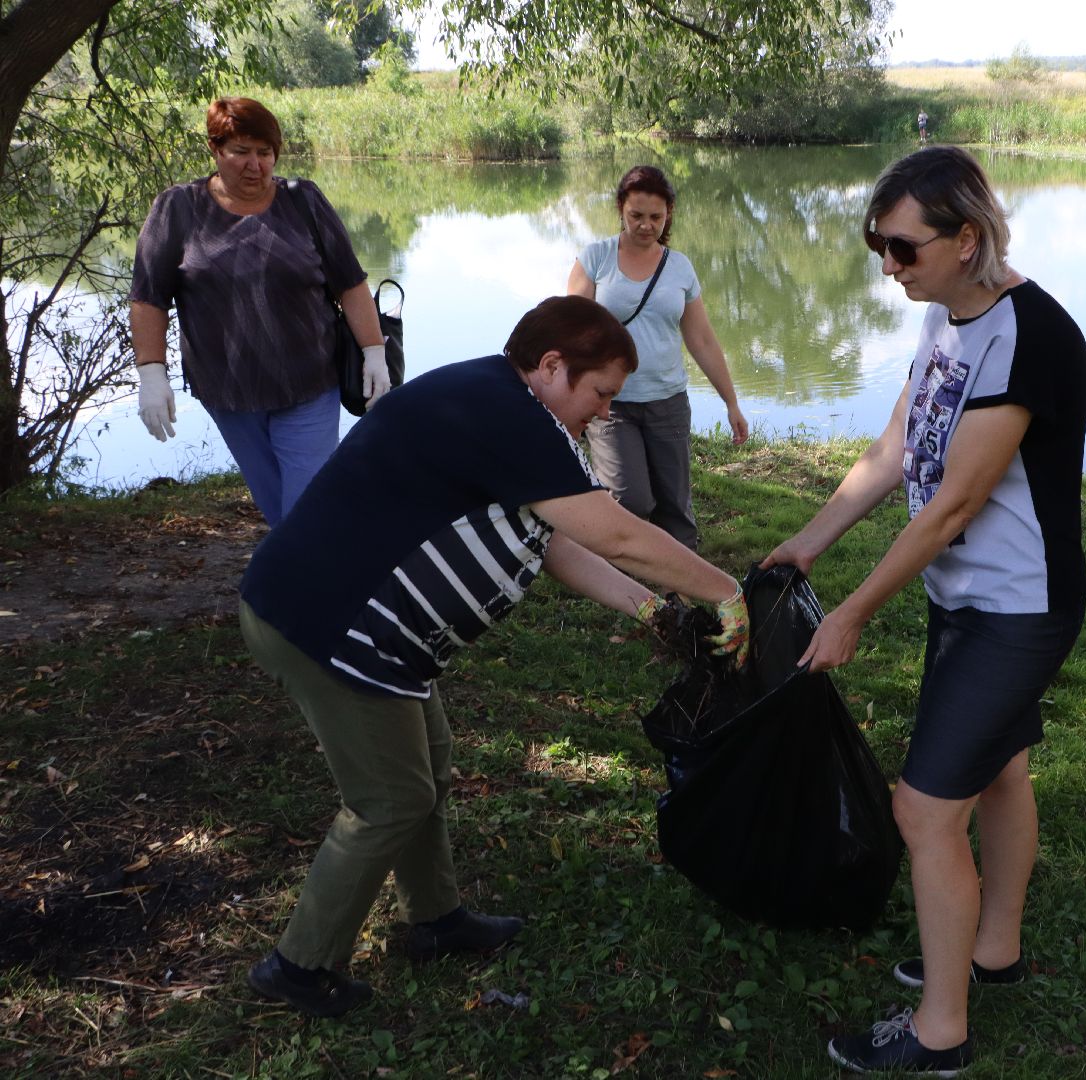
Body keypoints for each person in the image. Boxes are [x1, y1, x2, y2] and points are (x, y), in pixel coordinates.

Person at [236, 296, 750, 1016]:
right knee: (391, 798)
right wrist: (724, 590)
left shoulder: (508, 407)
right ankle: (296, 967)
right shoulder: (504, 412)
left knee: (428, 767)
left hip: (381, 637)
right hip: (325, 625)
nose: (604, 414)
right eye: (600, 393)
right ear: (550, 367)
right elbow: (618, 534)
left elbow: (560, 542)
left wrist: (656, 611)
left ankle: (435, 922)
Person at [762, 146, 1086, 1074]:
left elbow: (953, 507)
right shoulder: (946, 314)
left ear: (967, 238)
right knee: (1000, 774)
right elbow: (898, 448)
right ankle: (994, 951)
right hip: (971, 602)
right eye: (879, 246)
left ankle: (940, 1033)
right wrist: (812, 540)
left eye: (902, 248)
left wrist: (855, 610)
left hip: (1018, 608)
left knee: (923, 811)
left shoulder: (1029, 334)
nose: (888, 267)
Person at [131, 96, 391, 527]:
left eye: (265, 153)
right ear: (215, 150)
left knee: (308, 506)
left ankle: (306, 588)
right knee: (279, 507)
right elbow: (148, 298)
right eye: (241, 152)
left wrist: (374, 350)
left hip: (310, 380)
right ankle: (302, 580)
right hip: (228, 391)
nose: (255, 165)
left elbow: (350, 282)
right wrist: (151, 373)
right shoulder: (178, 209)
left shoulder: (302, 201)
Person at [566, 164, 748, 551]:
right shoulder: (596, 259)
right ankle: (630, 572)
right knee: (631, 499)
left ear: (668, 215)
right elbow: (567, 331)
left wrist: (731, 401)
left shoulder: (679, 267)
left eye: (656, 217)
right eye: (636, 215)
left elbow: (702, 340)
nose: (646, 225)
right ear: (620, 209)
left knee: (674, 505)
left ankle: (681, 587)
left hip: (668, 401)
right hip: (610, 405)